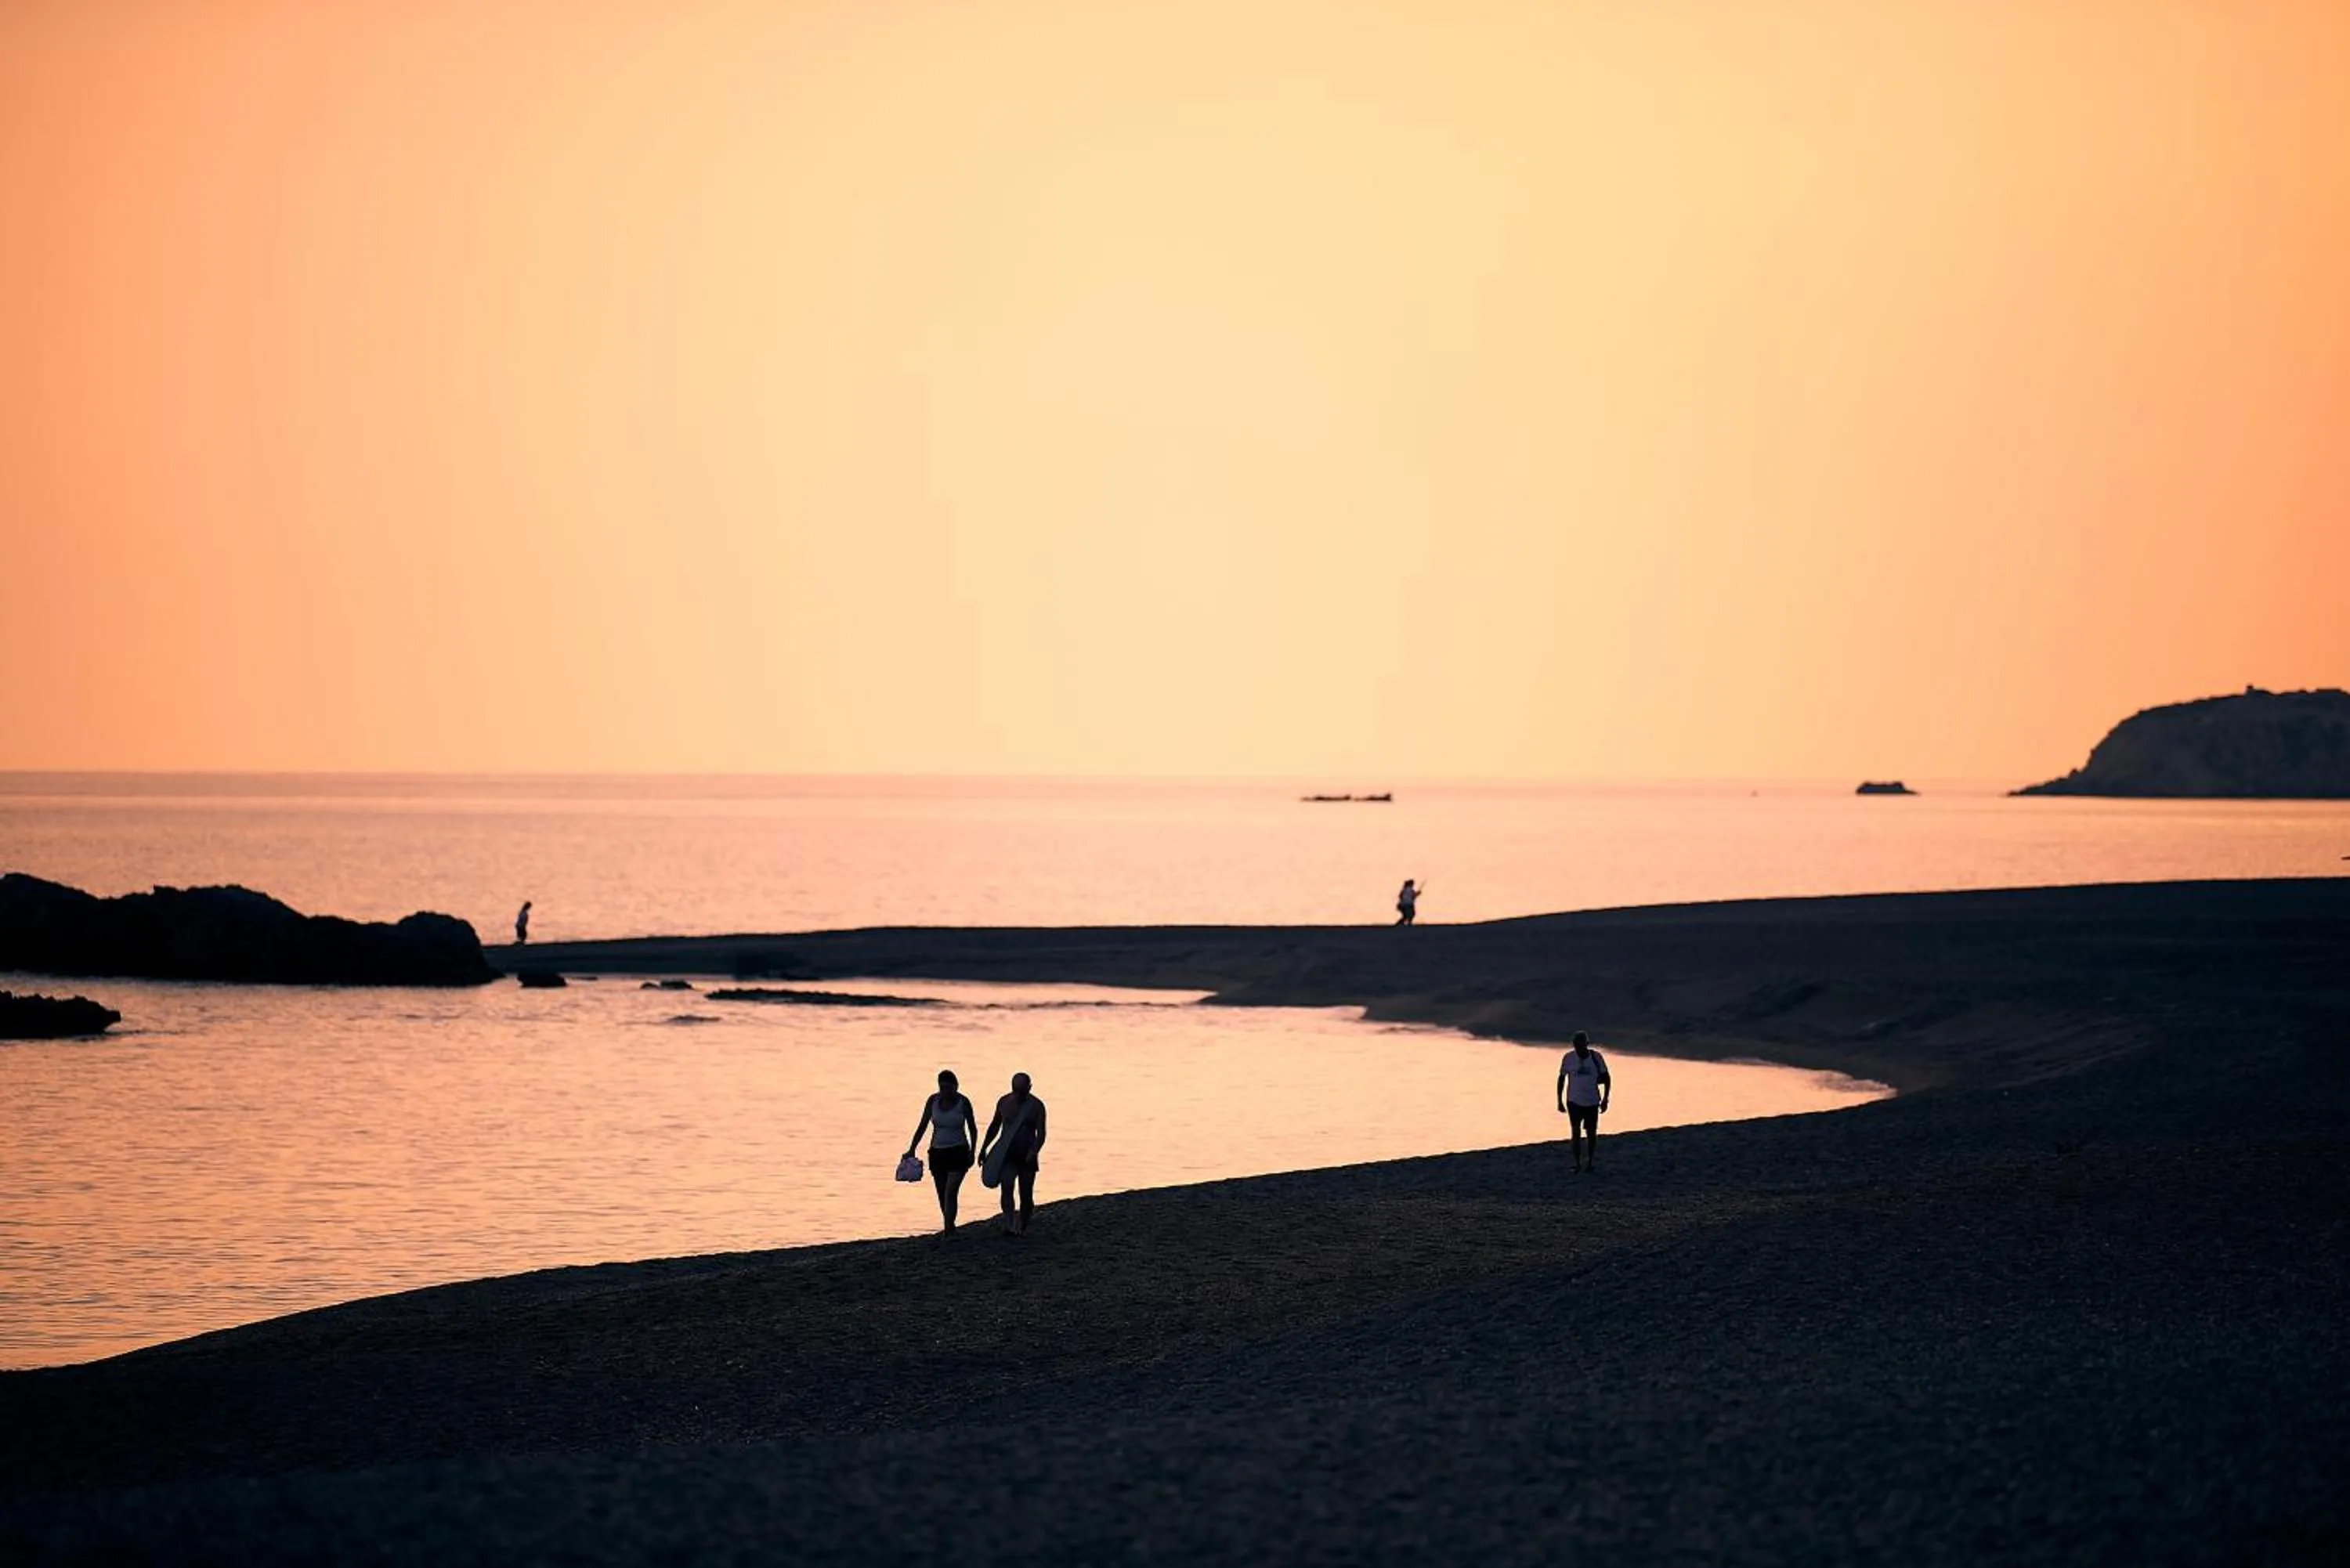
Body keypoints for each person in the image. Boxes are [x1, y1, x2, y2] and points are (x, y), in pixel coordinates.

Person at [905, 1069, 978, 1233]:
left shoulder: (963, 1102)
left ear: (955, 1087)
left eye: (949, 1088)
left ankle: (948, 1228)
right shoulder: (933, 1101)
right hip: (937, 1152)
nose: (945, 1092)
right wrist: (912, 1149)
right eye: (942, 1088)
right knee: (941, 1192)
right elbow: (923, 1125)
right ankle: (949, 1224)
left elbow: (972, 1128)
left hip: (958, 1151)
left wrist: (973, 1151)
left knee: (951, 1191)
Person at [979, 1071, 1048, 1236]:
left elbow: (1042, 1134)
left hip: (1027, 1156)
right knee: (1007, 1187)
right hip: (1007, 1155)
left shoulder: (1037, 1106)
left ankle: (1022, 1226)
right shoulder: (1004, 1102)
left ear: (1029, 1088)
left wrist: (1034, 1151)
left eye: (1022, 1090)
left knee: (1026, 1195)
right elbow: (995, 1126)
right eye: (1015, 1089)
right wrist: (984, 1148)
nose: (1018, 1094)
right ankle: (1010, 1224)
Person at [1556, 1031, 1611, 1172]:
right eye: (1576, 1045)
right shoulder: (1568, 1058)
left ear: (1586, 1044)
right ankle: (1577, 1163)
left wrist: (1605, 1099)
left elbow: (1607, 1078)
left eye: (1580, 1045)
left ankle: (1590, 1162)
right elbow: (1561, 1078)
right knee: (1575, 1132)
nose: (1578, 1048)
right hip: (1573, 1101)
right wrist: (1559, 1101)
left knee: (1591, 1132)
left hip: (1592, 1101)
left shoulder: (1596, 1057)